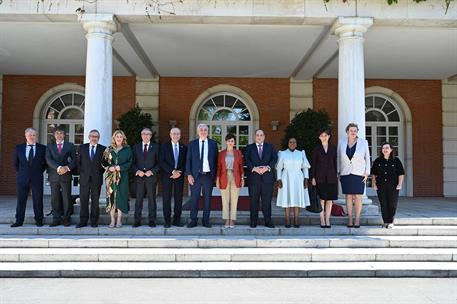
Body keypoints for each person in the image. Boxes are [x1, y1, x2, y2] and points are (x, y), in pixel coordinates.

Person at [11, 127, 47, 227]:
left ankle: (39, 220)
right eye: (30, 135)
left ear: (36, 136)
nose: (32, 137)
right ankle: (19, 221)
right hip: (22, 178)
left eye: (34, 135)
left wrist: (39, 171)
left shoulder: (42, 148)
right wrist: (22, 172)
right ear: (26, 136)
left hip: (37, 178)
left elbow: (45, 163)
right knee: (21, 200)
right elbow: (15, 163)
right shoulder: (19, 148)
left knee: (38, 200)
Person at [337, 123, 371, 228]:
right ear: (347, 131)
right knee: (348, 196)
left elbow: (367, 158)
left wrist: (367, 172)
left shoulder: (363, 142)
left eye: (355, 131)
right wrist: (338, 171)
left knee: (357, 196)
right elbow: (338, 157)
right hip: (345, 172)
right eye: (351, 130)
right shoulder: (341, 142)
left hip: (359, 173)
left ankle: (357, 220)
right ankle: (350, 219)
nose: (353, 132)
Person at [185, 123, 218, 228]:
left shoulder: (213, 144)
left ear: (208, 132)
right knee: (194, 198)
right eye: (201, 130)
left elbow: (216, 161)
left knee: (207, 199)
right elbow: (188, 161)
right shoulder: (192, 144)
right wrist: (189, 174)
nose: (203, 131)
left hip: (208, 176)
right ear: (198, 132)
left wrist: (216, 176)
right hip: (195, 176)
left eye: (205, 130)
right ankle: (193, 220)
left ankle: (206, 220)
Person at [244, 129, 277, 228]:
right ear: (255, 136)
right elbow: (246, 159)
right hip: (254, 179)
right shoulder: (249, 147)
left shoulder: (270, 147)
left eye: (261, 135)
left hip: (267, 179)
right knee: (254, 201)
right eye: (257, 135)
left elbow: (274, 158)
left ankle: (268, 221)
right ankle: (253, 221)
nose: (259, 136)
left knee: (267, 201)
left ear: (264, 136)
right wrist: (254, 168)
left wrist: (267, 168)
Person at [276, 137, 310, 228]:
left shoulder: (301, 153)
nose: (292, 143)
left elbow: (305, 167)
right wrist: (279, 179)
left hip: (298, 178)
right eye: (290, 142)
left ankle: (296, 219)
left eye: (294, 142)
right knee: (287, 198)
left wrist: (306, 179)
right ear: (288, 143)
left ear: (296, 144)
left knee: (297, 198)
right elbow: (279, 167)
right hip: (286, 177)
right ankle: (287, 219)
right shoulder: (282, 153)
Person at [45, 126, 76, 227]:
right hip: (54, 175)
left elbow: (75, 160)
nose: (59, 135)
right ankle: (56, 218)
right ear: (54, 135)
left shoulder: (70, 145)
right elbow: (48, 160)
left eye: (61, 133)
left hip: (66, 175)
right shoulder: (49, 146)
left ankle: (66, 219)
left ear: (64, 135)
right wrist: (59, 168)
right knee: (55, 198)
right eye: (57, 133)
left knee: (66, 198)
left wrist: (66, 168)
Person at [76, 129, 106, 228]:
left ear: (98, 138)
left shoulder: (103, 149)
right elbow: (78, 162)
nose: (94, 138)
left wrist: (98, 172)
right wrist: (83, 173)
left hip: (97, 179)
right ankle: (83, 221)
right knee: (83, 200)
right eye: (92, 136)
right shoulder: (82, 148)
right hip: (84, 178)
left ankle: (94, 221)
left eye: (96, 137)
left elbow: (104, 164)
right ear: (89, 137)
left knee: (95, 201)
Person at [102, 130, 132, 228]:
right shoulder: (109, 149)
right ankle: (112, 220)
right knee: (111, 197)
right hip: (110, 177)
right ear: (114, 138)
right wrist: (108, 167)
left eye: (120, 137)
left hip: (122, 176)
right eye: (117, 136)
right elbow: (103, 161)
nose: (119, 138)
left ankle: (119, 220)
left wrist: (121, 167)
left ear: (123, 138)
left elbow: (130, 162)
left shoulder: (127, 149)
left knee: (121, 197)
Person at [371, 142, 405, 228]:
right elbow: (374, 174)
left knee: (392, 203)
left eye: (387, 148)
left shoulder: (396, 160)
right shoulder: (377, 161)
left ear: (391, 150)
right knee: (383, 203)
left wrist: (400, 184)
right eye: (383, 148)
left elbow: (401, 173)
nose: (385, 150)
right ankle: (385, 221)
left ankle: (391, 221)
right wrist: (374, 184)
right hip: (381, 185)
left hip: (393, 186)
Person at [132, 128, 160, 227]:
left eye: (148, 134)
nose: (146, 135)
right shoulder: (136, 147)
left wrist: (152, 171)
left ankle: (152, 220)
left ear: (151, 136)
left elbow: (159, 163)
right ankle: (137, 220)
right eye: (144, 134)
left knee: (152, 200)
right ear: (141, 135)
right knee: (138, 200)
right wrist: (137, 171)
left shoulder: (156, 147)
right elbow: (133, 163)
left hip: (151, 178)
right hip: (139, 178)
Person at [159, 127, 187, 228]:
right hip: (167, 176)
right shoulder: (164, 146)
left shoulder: (184, 147)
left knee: (178, 199)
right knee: (166, 199)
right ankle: (167, 221)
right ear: (170, 135)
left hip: (179, 176)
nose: (175, 135)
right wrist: (172, 171)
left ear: (180, 135)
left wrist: (179, 172)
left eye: (177, 134)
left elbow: (185, 162)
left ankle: (177, 220)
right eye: (174, 133)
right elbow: (161, 161)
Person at [216, 134, 245, 228]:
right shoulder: (221, 153)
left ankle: (232, 220)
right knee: (224, 199)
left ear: (234, 142)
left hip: (235, 176)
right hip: (224, 176)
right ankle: (226, 220)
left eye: (232, 141)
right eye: (229, 141)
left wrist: (242, 178)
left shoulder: (238, 153)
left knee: (234, 199)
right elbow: (219, 167)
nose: (230, 143)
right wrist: (217, 179)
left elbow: (241, 167)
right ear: (226, 142)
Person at [311, 129, 338, 228]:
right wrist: (313, 177)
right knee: (321, 199)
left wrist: (336, 174)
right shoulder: (316, 149)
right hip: (319, 177)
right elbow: (314, 164)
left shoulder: (333, 148)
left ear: (329, 136)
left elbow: (335, 163)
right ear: (319, 137)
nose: (324, 137)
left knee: (329, 200)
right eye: (322, 135)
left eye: (326, 135)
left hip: (331, 177)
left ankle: (327, 219)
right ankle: (322, 219)